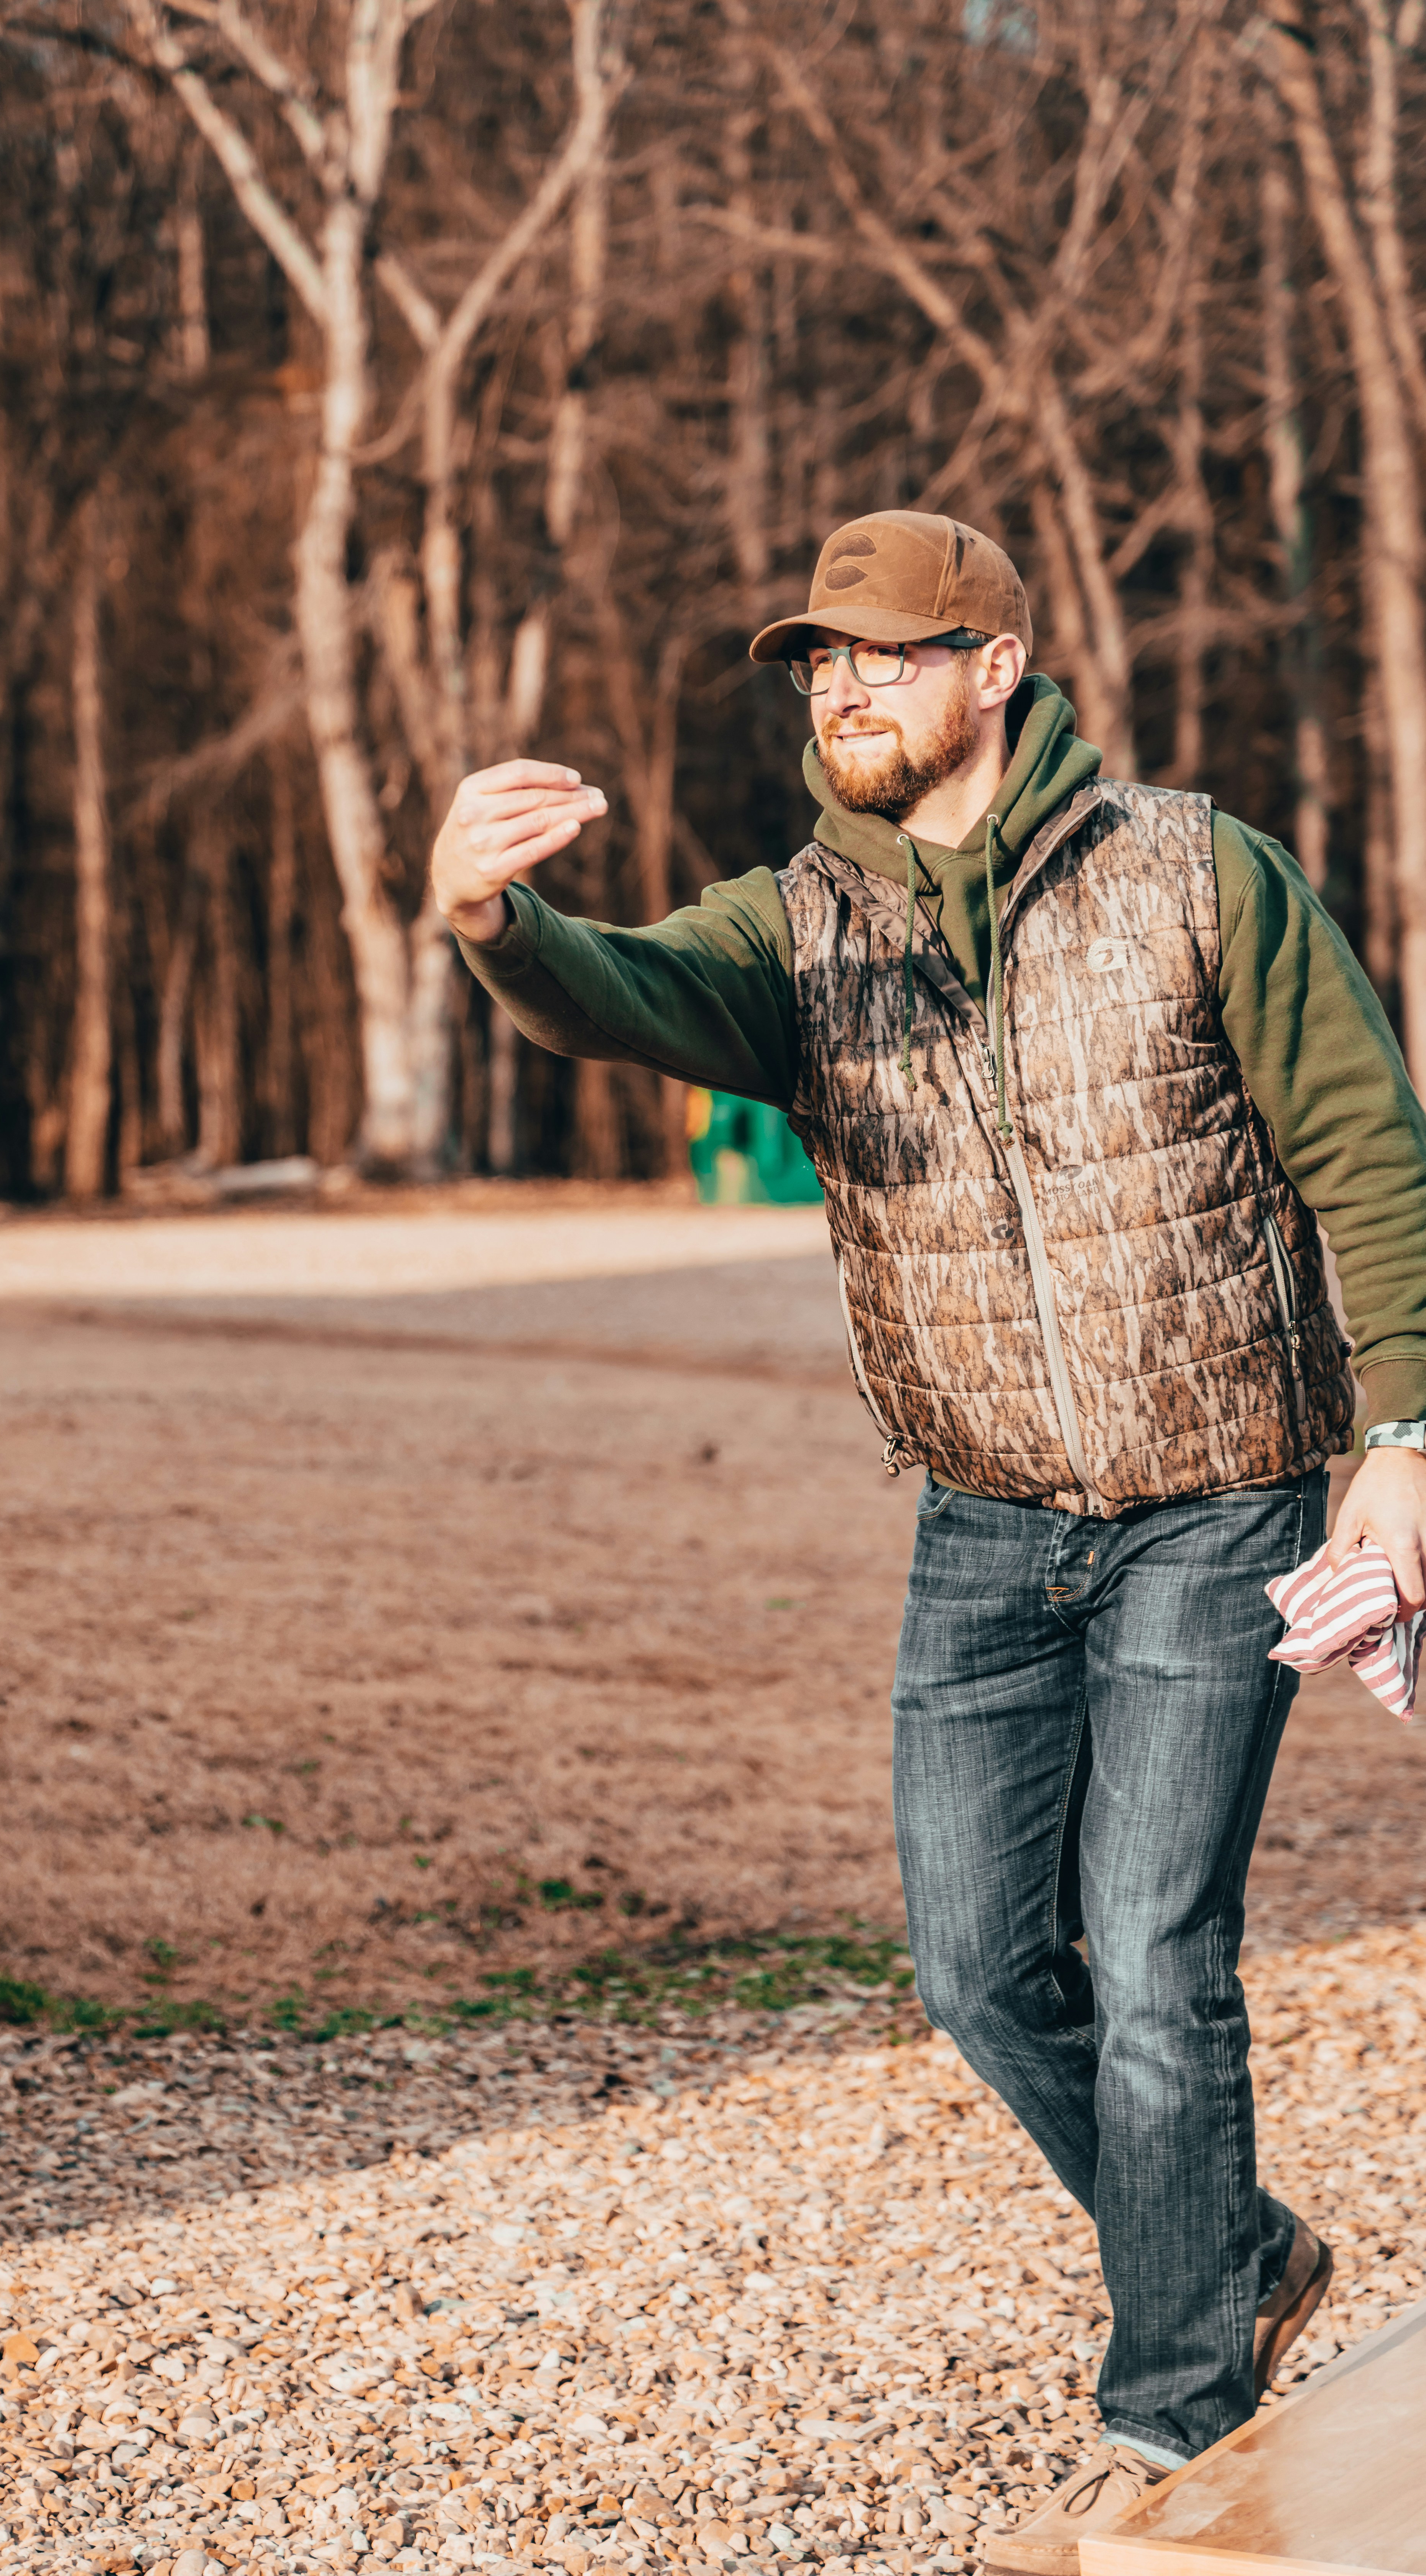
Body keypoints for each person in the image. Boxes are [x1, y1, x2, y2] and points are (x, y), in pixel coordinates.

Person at [429, 510, 1426, 2573]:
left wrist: (1408, 1438)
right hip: (982, 1524)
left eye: (884, 653)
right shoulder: (796, 927)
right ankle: (1231, 2248)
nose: (844, 690)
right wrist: (493, 926)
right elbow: (619, 996)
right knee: (981, 1973)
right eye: (817, 662)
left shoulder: (1197, 873)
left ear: (999, 660)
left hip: (1214, 1498)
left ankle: (1171, 2417)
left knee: (1158, 1956)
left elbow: (1372, 1159)